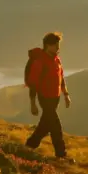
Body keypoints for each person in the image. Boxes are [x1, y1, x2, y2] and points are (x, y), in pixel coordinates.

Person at [24, 31, 73, 161]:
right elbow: (33, 84)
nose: (58, 48)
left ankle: (30, 145)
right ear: (47, 45)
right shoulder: (40, 61)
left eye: (58, 45)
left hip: (55, 98)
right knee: (56, 127)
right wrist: (33, 103)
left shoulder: (57, 60)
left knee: (45, 126)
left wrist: (66, 95)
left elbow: (61, 78)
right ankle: (61, 155)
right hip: (45, 98)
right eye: (55, 45)